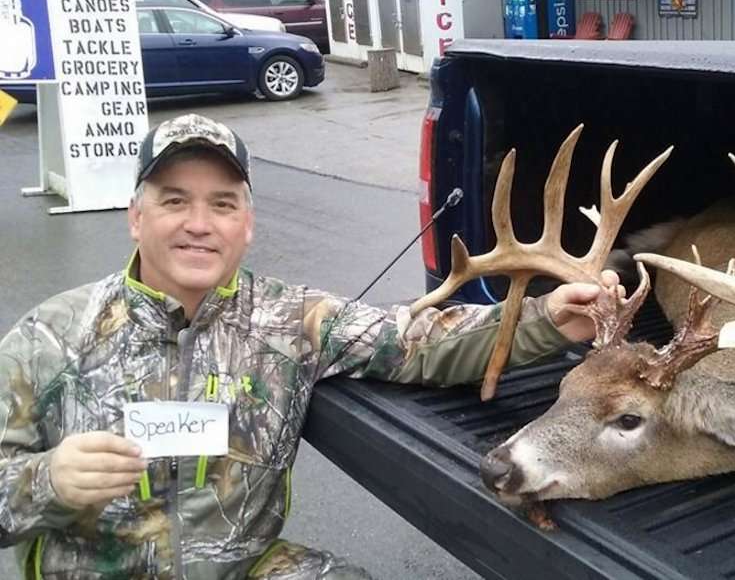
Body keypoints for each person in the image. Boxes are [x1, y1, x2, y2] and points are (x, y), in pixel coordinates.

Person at [0, 113, 621, 579]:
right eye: (173, 201)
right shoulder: (52, 336)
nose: (198, 223)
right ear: (135, 217)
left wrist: (545, 319)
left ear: (246, 224)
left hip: (243, 569)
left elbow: (413, 341)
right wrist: (45, 478)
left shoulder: (290, 319)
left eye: (222, 204)